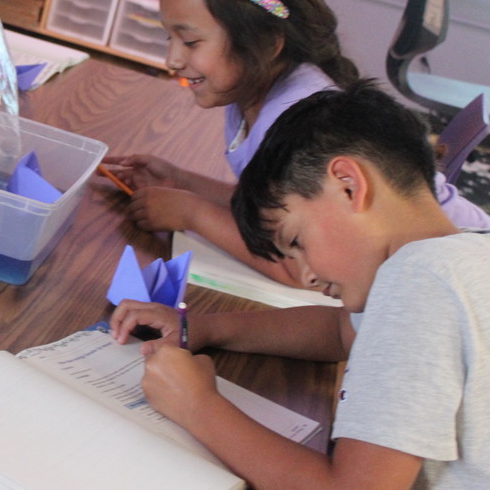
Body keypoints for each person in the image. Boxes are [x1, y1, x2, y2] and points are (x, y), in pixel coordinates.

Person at [110, 80, 490, 489]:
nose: (306, 274)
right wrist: (201, 327)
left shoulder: (419, 280)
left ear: (348, 184)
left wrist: (197, 405)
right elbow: (340, 331)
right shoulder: (463, 258)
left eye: (296, 242)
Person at [101, 0, 490, 287]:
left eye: (190, 42)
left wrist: (192, 213)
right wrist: (181, 181)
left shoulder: (298, 119)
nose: (171, 59)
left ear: (267, 42)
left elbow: (301, 267)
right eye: (168, 36)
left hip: (462, 273)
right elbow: (265, 213)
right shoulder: (251, 91)